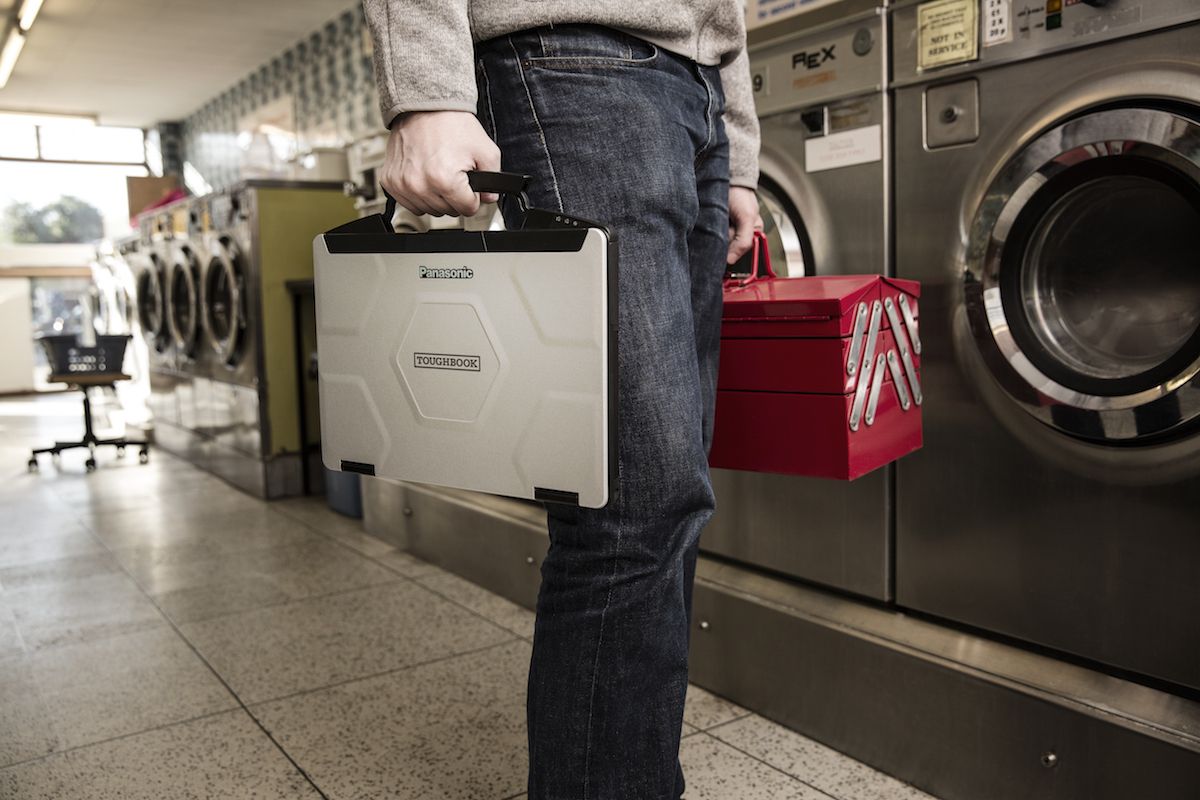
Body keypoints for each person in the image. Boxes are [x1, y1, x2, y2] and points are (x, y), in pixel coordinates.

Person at [363, 3, 762, 797]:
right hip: (575, 64)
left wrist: (739, 149)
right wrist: (426, 90)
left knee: (671, 496)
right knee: (631, 504)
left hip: (701, 96)